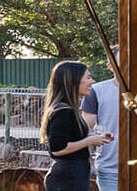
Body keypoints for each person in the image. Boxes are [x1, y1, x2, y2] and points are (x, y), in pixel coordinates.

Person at [42, 61, 112, 191]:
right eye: (88, 77)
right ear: (73, 81)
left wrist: (96, 137)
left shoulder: (70, 110)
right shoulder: (63, 111)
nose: (92, 81)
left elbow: (72, 139)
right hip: (65, 180)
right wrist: (90, 141)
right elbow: (58, 148)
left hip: (74, 176)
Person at [82, 51, 122, 191]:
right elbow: (87, 129)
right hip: (109, 170)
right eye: (123, 61)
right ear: (110, 66)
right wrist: (88, 162)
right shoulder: (96, 91)